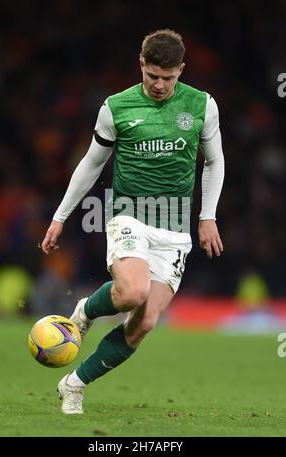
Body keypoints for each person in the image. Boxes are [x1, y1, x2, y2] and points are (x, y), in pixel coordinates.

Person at [41, 29, 224, 414]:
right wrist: (61, 216)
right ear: (141, 64)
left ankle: (74, 384)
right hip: (130, 215)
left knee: (143, 323)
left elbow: (215, 160)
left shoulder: (202, 105)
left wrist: (207, 216)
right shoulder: (117, 107)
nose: (159, 85)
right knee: (132, 292)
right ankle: (86, 310)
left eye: (168, 77)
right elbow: (92, 163)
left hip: (174, 227)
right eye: (152, 75)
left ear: (181, 71)